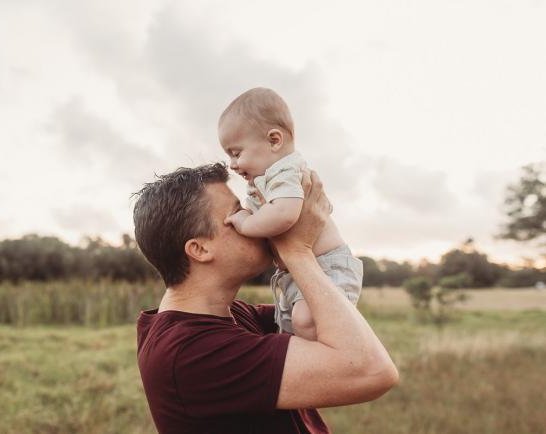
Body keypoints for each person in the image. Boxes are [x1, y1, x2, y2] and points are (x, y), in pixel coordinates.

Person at [133, 163, 398, 434]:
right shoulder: (190, 354)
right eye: (238, 213)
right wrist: (297, 252)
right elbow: (371, 370)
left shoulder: (227, 314)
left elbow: (333, 324)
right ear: (200, 249)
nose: (253, 217)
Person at [218, 87, 362, 339]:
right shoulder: (265, 181)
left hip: (327, 266)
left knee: (306, 321)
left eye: (236, 153)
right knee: (290, 331)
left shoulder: (284, 172)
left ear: (274, 140)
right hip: (295, 271)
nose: (232, 165)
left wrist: (244, 222)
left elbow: (284, 215)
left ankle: (343, 354)